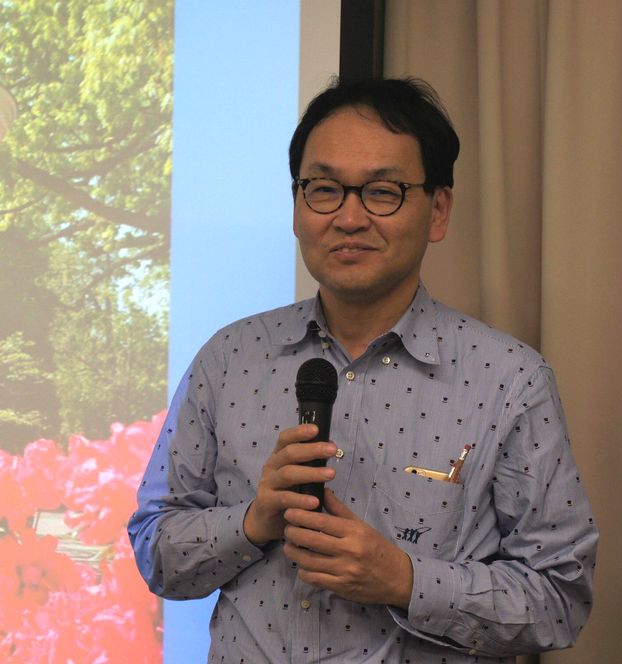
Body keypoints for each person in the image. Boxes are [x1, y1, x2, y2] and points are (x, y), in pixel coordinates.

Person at [128, 77, 598, 663]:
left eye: (382, 192)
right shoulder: (228, 358)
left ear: (438, 211)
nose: (349, 218)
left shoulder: (509, 379)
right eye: (324, 189)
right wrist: (253, 521)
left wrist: (405, 580)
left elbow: (559, 598)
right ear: (297, 207)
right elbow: (155, 549)